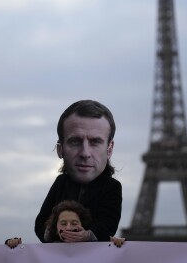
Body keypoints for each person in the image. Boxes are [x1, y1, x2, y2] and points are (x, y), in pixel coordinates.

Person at [34, 100, 122, 243]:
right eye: (75, 141)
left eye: (95, 142)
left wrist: (87, 236)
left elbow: (108, 224)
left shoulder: (112, 187)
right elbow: (41, 223)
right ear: (60, 149)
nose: (85, 153)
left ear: (110, 149)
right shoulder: (60, 183)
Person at [7, 200, 125, 248]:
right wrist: (12, 244)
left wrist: (118, 245)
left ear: (82, 225)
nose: (68, 228)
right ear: (54, 227)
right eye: (63, 223)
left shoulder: (99, 249)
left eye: (74, 223)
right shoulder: (44, 251)